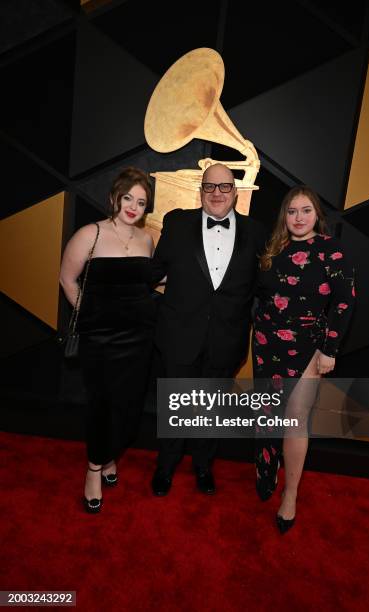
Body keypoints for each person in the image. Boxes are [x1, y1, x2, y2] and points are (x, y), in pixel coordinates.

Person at [151, 163, 268, 496]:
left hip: (226, 338)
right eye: (210, 187)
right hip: (179, 335)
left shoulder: (257, 232)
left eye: (225, 187)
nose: (217, 193)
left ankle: (203, 466)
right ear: (200, 190)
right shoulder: (176, 223)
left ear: (235, 191)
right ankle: (166, 466)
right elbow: (156, 270)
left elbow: (264, 286)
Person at [253, 185, 355, 533]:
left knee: (295, 419)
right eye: (292, 211)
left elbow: (344, 303)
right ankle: (267, 469)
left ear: (317, 215)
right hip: (267, 343)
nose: (298, 217)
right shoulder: (274, 247)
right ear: (285, 215)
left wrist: (329, 350)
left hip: (308, 348)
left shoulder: (331, 251)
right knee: (267, 411)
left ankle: (290, 494)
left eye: (306, 210)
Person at [60, 167, 156, 513]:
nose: (133, 206)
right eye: (128, 197)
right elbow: (67, 279)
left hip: (139, 338)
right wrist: (92, 313)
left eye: (141, 202)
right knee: (102, 404)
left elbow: (145, 286)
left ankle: (112, 454)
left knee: (129, 405)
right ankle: (94, 468)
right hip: (100, 338)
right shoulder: (91, 234)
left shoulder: (148, 240)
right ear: (115, 197)